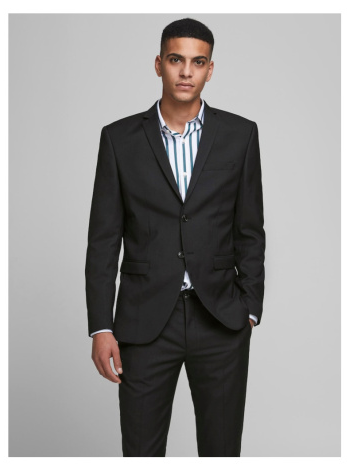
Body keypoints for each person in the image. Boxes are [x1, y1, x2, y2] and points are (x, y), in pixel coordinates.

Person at [85, 17, 266, 457]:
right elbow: (103, 240)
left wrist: (249, 309)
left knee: (222, 451)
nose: (186, 71)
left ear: (210, 69)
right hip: (144, 322)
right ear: (158, 64)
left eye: (197, 62)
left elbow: (249, 229)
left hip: (220, 319)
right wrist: (101, 326)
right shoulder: (119, 139)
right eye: (175, 60)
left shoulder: (240, 135)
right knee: (141, 452)